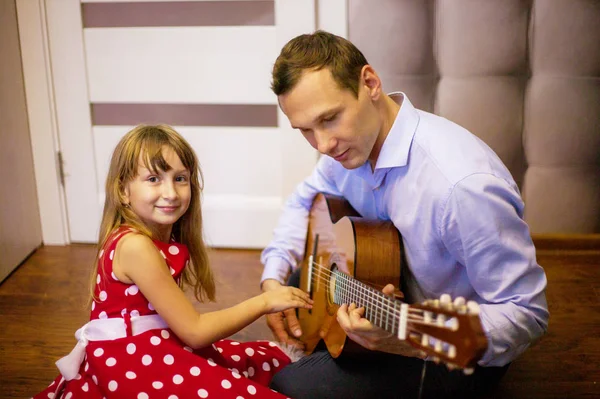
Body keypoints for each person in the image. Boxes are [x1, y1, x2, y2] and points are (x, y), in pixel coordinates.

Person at [260, 31, 549, 398]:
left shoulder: (461, 186)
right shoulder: (346, 150)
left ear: (370, 83)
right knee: (301, 278)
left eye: (330, 119)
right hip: (383, 299)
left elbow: (527, 314)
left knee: (288, 386)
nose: (323, 145)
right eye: (305, 131)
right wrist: (273, 278)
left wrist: (409, 337)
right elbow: (305, 201)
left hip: (452, 349)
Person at [34, 125, 312, 399]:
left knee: (260, 361)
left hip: (152, 345)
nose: (170, 193)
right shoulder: (136, 246)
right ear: (123, 190)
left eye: (180, 178)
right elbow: (196, 331)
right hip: (133, 363)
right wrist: (264, 302)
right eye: (154, 179)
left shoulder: (144, 238)